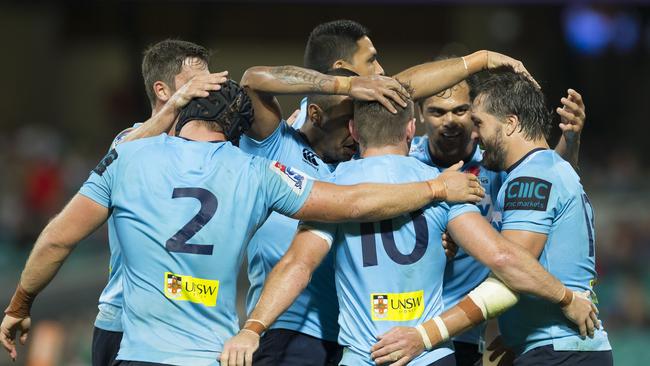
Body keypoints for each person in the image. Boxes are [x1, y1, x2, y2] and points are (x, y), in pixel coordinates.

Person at [0, 82, 484, 365]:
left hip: (140, 352)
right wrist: (435, 189)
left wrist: (21, 302)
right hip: (215, 354)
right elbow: (351, 203)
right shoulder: (257, 172)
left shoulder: (127, 156)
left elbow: (59, 238)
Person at [221, 92, 597, 366]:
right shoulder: (446, 186)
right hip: (429, 353)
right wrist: (567, 297)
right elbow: (503, 257)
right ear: (411, 129)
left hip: (363, 356)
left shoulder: (335, 192)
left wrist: (253, 327)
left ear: (353, 129)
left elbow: (296, 266)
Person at [409, 68, 586, 364]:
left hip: (463, 327)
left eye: (464, 112)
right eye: (437, 111)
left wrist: (571, 141)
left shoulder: (500, 163)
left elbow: (545, 195)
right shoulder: (404, 162)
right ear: (419, 114)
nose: (451, 120)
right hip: (407, 318)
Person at [239, 64, 413, 365]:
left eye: (356, 123)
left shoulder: (354, 168)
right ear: (317, 115)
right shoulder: (276, 144)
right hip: (286, 328)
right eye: (347, 121)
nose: (354, 133)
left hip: (350, 338)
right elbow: (251, 81)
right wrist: (347, 86)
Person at [80, 38, 229, 366]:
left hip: (196, 327)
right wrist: (178, 105)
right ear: (163, 90)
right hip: (123, 322)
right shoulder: (130, 142)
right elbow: (119, 156)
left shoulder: (217, 151)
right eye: (196, 82)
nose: (207, 90)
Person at [465, 67, 612, 365]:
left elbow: (512, 266)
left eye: (479, 122)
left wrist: (428, 334)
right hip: (567, 348)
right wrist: (520, 333)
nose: (473, 133)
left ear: (510, 124)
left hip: (558, 351)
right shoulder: (551, 168)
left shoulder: (529, 179)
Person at [291, 19, 537, 129]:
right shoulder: (289, 129)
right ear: (340, 67)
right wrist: (346, 86)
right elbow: (253, 78)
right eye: (371, 60)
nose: (380, 70)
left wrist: (481, 59)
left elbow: (406, 84)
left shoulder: (363, 111)